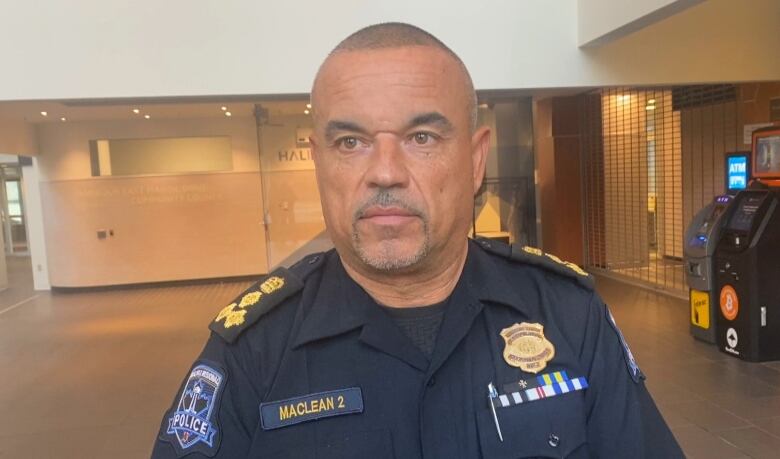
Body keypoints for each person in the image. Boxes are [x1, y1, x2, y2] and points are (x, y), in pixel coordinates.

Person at [151, 22, 683, 458]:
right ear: (318, 162)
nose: (385, 173)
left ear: (475, 160)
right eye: (351, 141)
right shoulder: (252, 350)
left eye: (421, 138)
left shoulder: (569, 314)